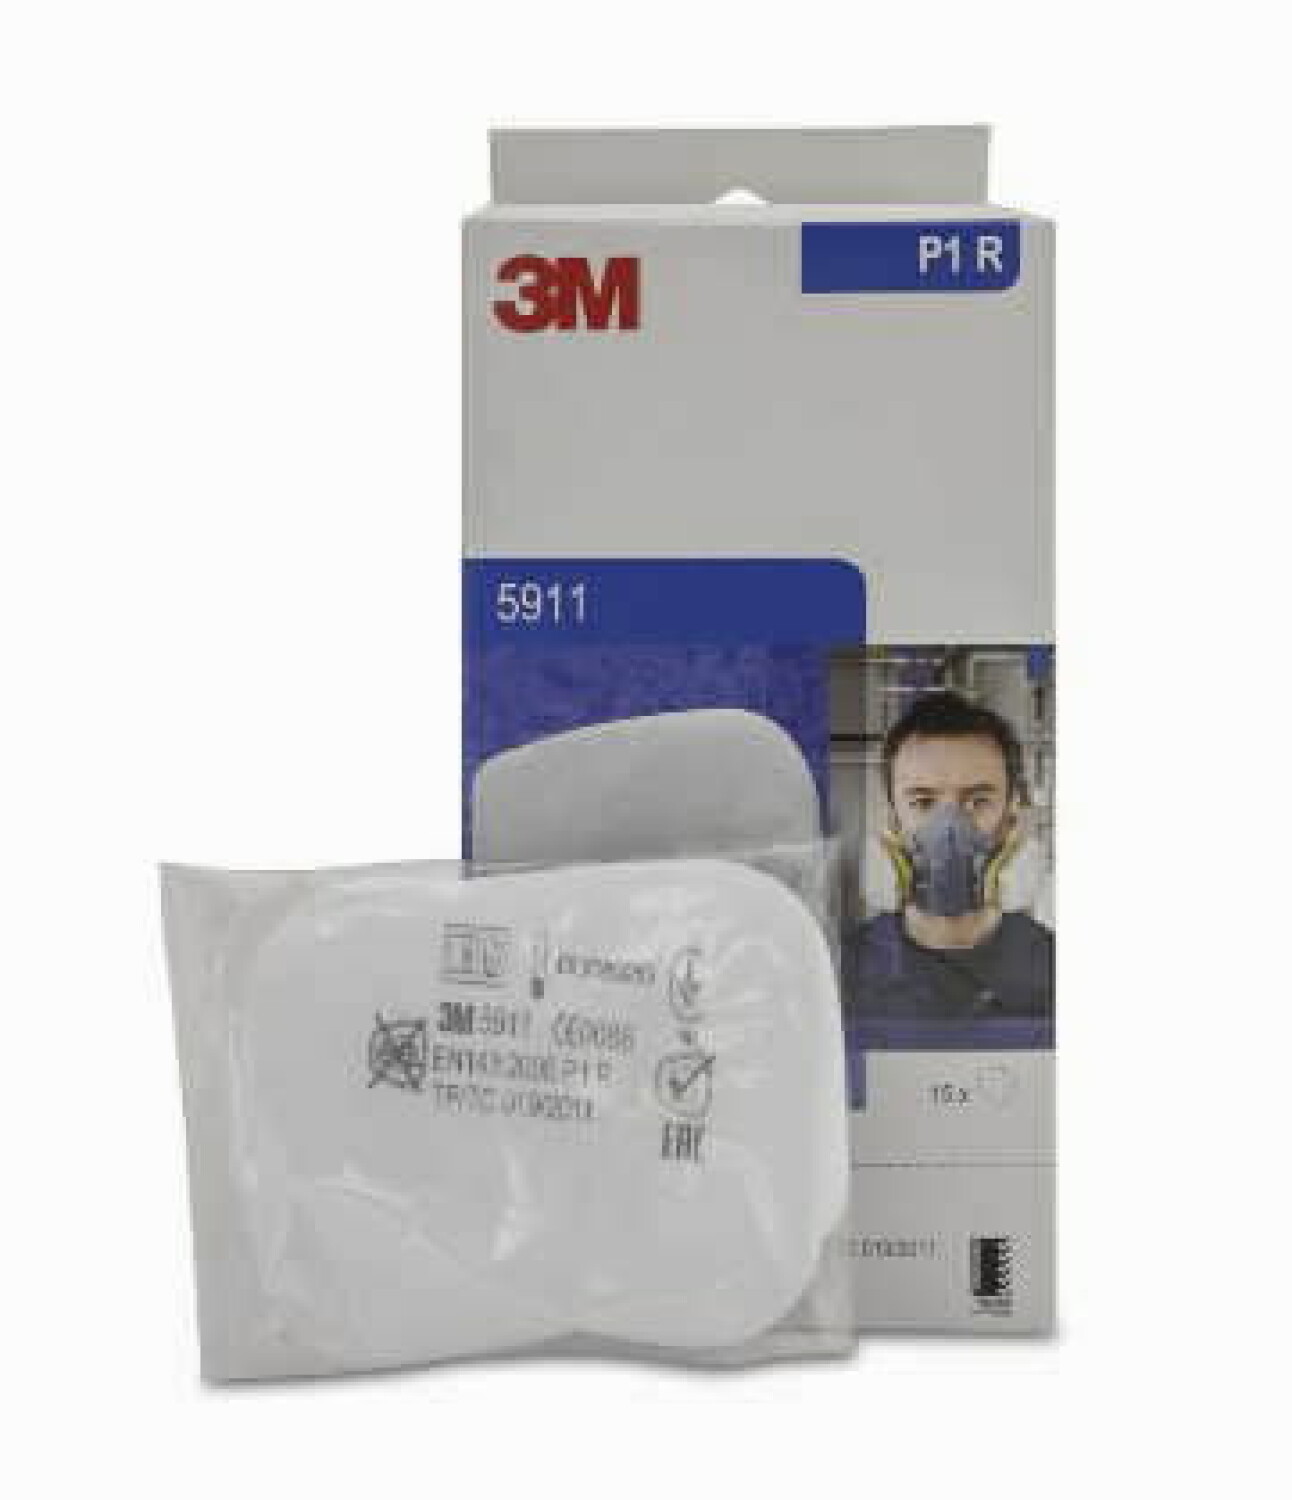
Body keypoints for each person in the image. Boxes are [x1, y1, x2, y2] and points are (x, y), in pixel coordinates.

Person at [847, 690, 1053, 1024]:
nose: (949, 828)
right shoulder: (841, 972)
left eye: (978, 801)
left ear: (1011, 815)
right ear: (892, 819)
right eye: (923, 802)